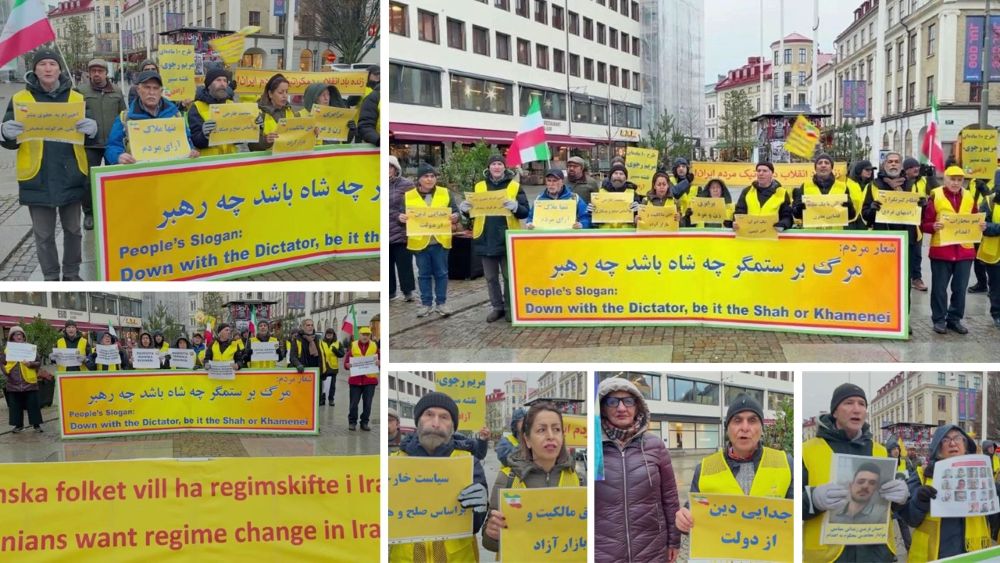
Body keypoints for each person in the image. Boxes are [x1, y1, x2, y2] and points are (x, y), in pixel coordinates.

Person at [1, 49, 98, 281]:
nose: (47, 68)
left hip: (71, 174)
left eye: (52, 64)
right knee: (43, 234)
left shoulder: (76, 98)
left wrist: (92, 130)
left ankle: (72, 274)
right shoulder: (21, 100)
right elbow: (10, 139)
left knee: (74, 231)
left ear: (59, 69)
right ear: (34, 69)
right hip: (37, 176)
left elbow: (91, 136)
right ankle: (51, 275)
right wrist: (5, 132)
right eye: (42, 64)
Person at [802, 383, 907, 561]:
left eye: (862, 404)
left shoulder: (880, 451)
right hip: (829, 557)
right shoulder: (807, 451)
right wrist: (812, 499)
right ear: (834, 411)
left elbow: (888, 502)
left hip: (877, 554)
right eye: (849, 403)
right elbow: (790, 506)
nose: (857, 409)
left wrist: (901, 497)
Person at [390, 392, 489, 562]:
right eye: (429, 414)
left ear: (453, 427)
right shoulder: (393, 463)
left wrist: (481, 508)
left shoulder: (468, 463)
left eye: (444, 417)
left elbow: (474, 525)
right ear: (418, 422)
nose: (435, 423)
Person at [675, 393, 792, 535]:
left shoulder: (786, 463)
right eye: (737, 420)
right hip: (722, 554)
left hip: (770, 552)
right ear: (727, 428)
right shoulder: (705, 468)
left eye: (752, 420)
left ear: (762, 428)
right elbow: (693, 511)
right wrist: (684, 519)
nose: (745, 427)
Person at [595, 377, 680, 562]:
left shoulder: (655, 446)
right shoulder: (594, 447)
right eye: (612, 401)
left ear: (637, 406)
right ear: (602, 407)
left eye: (628, 401)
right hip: (604, 552)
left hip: (652, 549)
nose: (621, 408)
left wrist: (674, 541)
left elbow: (670, 498)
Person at [482, 401, 585, 554]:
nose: (550, 436)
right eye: (541, 430)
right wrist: (492, 533)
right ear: (527, 439)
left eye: (556, 429)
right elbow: (489, 542)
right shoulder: (507, 478)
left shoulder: (579, 481)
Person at [902, 424, 1000, 561]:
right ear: (937, 448)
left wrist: (995, 495)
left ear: (965, 446)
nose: (953, 443)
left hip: (974, 554)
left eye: (958, 438)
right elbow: (909, 518)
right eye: (946, 440)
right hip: (934, 556)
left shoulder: (981, 476)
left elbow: (995, 521)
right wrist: (919, 501)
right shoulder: (921, 476)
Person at [460, 155, 530, 323]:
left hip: (507, 236)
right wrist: (465, 210)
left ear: (504, 167)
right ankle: (497, 307)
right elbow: (472, 212)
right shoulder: (479, 186)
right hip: (485, 237)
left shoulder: (514, 186)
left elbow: (525, 211)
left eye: (500, 164)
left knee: (508, 276)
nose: (497, 167)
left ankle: (510, 308)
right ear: (489, 167)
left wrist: (516, 207)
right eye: (493, 164)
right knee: (491, 277)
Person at [863, 154, 926, 334]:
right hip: (883, 241)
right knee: (881, 282)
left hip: (908, 240)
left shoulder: (911, 185)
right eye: (889, 161)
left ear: (901, 166)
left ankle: (902, 320)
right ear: (884, 165)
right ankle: (879, 318)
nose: (893, 164)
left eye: (896, 161)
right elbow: (864, 213)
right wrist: (872, 209)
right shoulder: (874, 186)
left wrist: (923, 205)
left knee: (904, 283)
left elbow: (920, 214)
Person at [921, 166, 986, 335]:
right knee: (939, 288)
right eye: (952, 179)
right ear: (945, 179)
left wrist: (981, 225)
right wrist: (933, 226)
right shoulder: (935, 195)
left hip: (964, 251)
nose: (956, 183)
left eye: (959, 180)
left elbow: (974, 219)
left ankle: (954, 319)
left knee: (960, 288)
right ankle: (939, 319)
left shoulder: (969, 196)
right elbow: (924, 224)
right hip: (941, 250)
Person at [398, 164, 460, 318]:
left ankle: (441, 303)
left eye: (432, 176)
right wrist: (401, 218)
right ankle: (426, 304)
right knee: (423, 275)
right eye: (426, 176)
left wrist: (455, 217)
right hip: (419, 243)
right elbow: (400, 216)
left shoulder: (445, 193)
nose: (429, 179)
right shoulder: (408, 196)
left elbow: (456, 211)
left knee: (442, 274)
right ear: (419, 179)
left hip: (440, 241)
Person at [105, 70, 198, 165]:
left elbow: (187, 141)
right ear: (138, 90)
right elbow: (112, 147)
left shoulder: (175, 115)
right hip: (139, 174)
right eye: (147, 87)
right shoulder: (125, 118)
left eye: (155, 88)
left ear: (161, 91)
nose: (151, 92)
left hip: (170, 172)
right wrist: (118, 156)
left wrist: (191, 151)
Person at [77, 58, 126, 230]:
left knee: (115, 179)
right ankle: (89, 213)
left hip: (113, 143)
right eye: (93, 71)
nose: (96, 74)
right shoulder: (80, 91)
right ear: (89, 73)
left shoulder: (117, 91)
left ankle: (113, 209)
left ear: (106, 73)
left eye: (100, 71)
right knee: (88, 181)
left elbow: (124, 115)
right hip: (90, 144)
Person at [792, 153, 859, 229]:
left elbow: (851, 216)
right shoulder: (805, 186)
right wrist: (799, 208)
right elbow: (796, 214)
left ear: (831, 167)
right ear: (815, 168)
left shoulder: (842, 187)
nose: (823, 165)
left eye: (827, 163)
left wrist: (848, 207)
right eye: (820, 163)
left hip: (835, 236)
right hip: (811, 236)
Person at [903, 157, 938, 291]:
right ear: (906, 170)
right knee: (903, 251)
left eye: (917, 166)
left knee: (917, 252)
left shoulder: (924, 181)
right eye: (912, 167)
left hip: (918, 223)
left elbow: (935, 192)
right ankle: (902, 276)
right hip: (903, 222)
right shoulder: (902, 182)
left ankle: (916, 278)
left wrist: (931, 176)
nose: (916, 169)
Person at [188, 67, 239, 156]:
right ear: (209, 85)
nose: (222, 84)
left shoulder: (232, 105)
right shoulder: (197, 107)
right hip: (209, 164)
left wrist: (254, 125)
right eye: (218, 80)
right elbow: (195, 141)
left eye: (225, 80)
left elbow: (240, 138)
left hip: (231, 161)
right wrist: (204, 135)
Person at [2, 326, 44, 432]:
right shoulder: (7, 350)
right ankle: (18, 425)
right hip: (13, 383)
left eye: (20, 334)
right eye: (16, 334)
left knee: (33, 405)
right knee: (15, 406)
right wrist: (6, 372)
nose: (19, 336)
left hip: (29, 382)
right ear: (12, 337)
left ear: (24, 336)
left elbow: (38, 362)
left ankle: (36, 425)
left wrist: (30, 364)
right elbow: (2, 363)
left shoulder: (30, 348)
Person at [733, 162, 794, 232]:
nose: (761, 173)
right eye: (758, 171)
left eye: (765, 171)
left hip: (772, 235)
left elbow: (787, 216)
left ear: (772, 174)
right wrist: (736, 222)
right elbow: (739, 212)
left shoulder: (782, 192)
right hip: (750, 235)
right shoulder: (747, 191)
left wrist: (782, 224)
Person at [388, 155, 416, 302]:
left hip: (401, 230)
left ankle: (408, 291)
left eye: (389, 166)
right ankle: (390, 291)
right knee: (387, 264)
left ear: (395, 168)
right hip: (384, 230)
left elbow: (416, 204)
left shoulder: (407, 184)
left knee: (404, 262)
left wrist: (403, 215)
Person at [525, 169, 590, 229]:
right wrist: (529, 224)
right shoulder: (539, 199)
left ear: (562, 182)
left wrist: (581, 224)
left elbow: (585, 217)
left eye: (555, 181)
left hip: (568, 237)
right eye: (549, 181)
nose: (551, 184)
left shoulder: (574, 198)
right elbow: (530, 218)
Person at [249, 73, 297, 152]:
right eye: (281, 92)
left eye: (286, 92)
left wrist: (311, 132)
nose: (285, 96)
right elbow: (251, 144)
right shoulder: (259, 113)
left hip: (288, 159)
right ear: (270, 94)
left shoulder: (290, 111)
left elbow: (298, 133)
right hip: (267, 162)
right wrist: (266, 141)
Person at [344, 326, 379, 431]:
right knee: (354, 403)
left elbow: (381, 359)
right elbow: (346, 361)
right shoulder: (353, 346)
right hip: (355, 380)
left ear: (370, 336)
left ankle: (364, 422)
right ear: (359, 335)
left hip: (370, 380)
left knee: (367, 404)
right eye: (363, 334)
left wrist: (380, 363)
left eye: (367, 334)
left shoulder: (374, 346)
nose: (365, 336)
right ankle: (352, 422)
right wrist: (347, 365)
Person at [588, 162, 640, 229]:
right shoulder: (601, 193)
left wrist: (638, 209)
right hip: (606, 233)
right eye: (615, 173)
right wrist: (591, 211)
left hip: (626, 233)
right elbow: (594, 221)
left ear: (626, 178)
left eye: (621, 174)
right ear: (610, 177)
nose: (618, 176)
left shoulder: (633, 194)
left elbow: (638, 217)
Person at [977, 185, 1000, 329]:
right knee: (996, 287)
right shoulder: (989, 201)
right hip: (994, 254)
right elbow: (983, 227)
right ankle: (997, 314)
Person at [847, 160, 877, 230]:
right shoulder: (848, 184)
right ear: (859, 170)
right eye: (867, 170)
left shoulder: (874, 185)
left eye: (871, 170)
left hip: (867, 222)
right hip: (851, 222)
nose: (870, 172)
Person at [318, 327, 345, 406]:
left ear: (333, 335)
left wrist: (335, 351)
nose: (329, 335)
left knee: (332, 386)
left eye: (331, 334)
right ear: (325, 334)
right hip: (324, 367)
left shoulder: (337, 343)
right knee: (322, 385)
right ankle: (322, 399)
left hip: (333, 368)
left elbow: (342, 354)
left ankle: (331, 399)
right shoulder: (321, 342)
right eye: (327, 334)